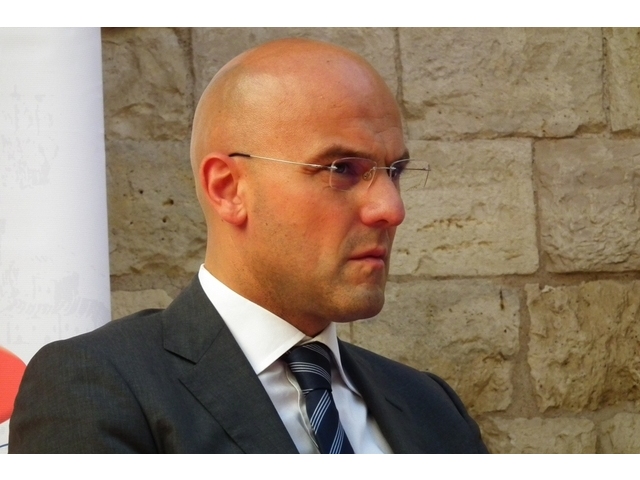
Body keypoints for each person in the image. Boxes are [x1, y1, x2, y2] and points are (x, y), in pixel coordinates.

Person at [9, 38, 488, 453]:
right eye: (342, 169)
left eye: (395, 172)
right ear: (228, 189)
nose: (391, 209)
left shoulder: (431, 406)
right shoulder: (99, 387)